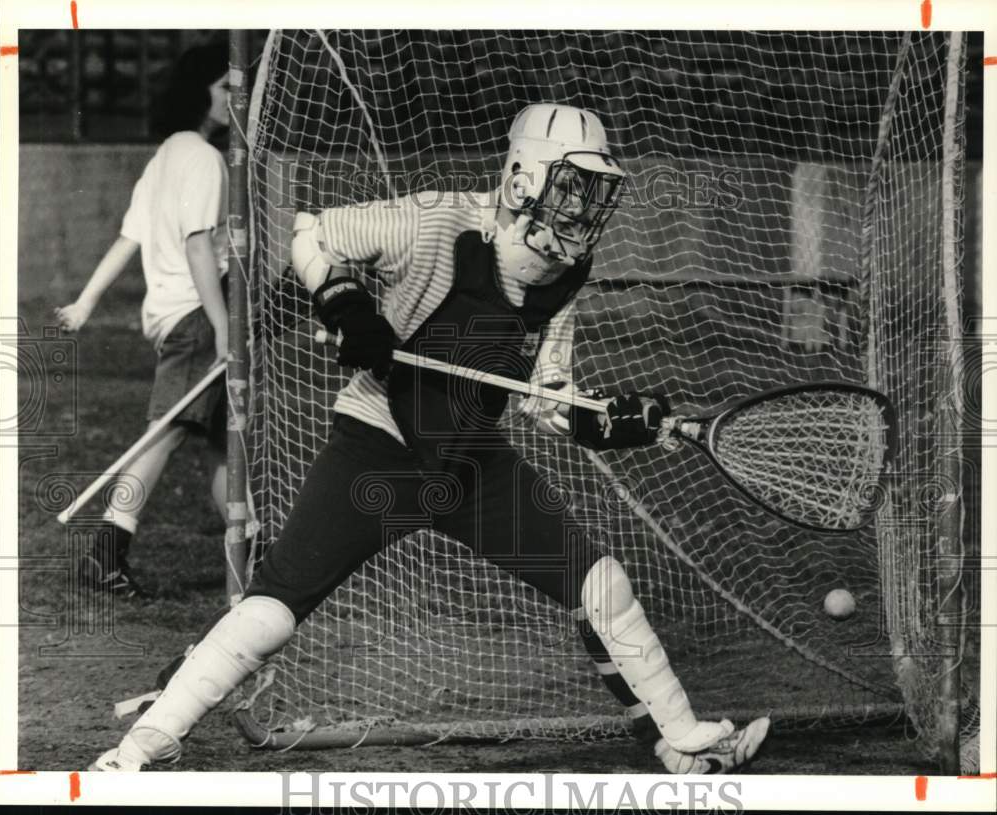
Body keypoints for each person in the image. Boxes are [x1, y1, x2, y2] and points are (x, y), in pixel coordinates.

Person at [90, 104, 769, 772]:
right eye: (572, 186)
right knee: (273, 612)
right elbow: (313, 233)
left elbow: (547, 396)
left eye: (593, 193)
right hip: (376, 450)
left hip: (473, 461)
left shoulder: (563, 276)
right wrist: (348, 305)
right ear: (523, 176)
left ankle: (681, 740)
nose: (583, 208)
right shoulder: (437, 220)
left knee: (602, 584)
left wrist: (607, 418)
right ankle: (140, 748)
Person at [56, 44, 231, 598]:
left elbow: (126, 239)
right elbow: (199, 246)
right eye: (225, 87)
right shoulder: (202, 159)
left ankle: (252, 547)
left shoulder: (164, 156)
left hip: (178, 314)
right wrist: (224, 326)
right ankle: (108, 549)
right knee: (168, 432)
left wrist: (86, 302)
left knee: (226, 438)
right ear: (198, 92)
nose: (235, 97)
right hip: (197, 315)